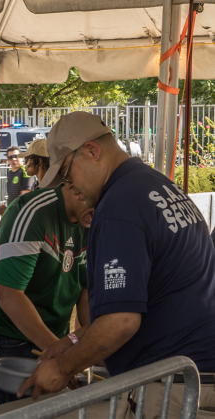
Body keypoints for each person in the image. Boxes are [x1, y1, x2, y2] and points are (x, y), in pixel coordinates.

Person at [17, 111, 215, 417]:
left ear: (92, 151)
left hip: (170, 386)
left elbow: (121, 321)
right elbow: (142, 298)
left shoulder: (118, 207)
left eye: (68, 175)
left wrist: (62, 368)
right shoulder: (159, 186)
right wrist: (71, 340)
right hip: (196, 375)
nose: (70, 187)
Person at [0, 180, 94, 405]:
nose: (100, 208)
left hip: (53, 340)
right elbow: (10, 296)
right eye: (95, 200)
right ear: (73, 185)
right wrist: (62, 356)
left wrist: (85, 348)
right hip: (8, 336)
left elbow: (85, 295)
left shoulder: (93, 222)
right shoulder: (31, 211)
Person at [0, 146, 33, 216]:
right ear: (8, 160)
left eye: (16, 156)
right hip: (12, 211)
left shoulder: (25, 170)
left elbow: (24, 195)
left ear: (22, 157)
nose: (13, 159)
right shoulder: (9, 172)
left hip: (22, 212)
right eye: (10, 157)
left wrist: (9, 211)